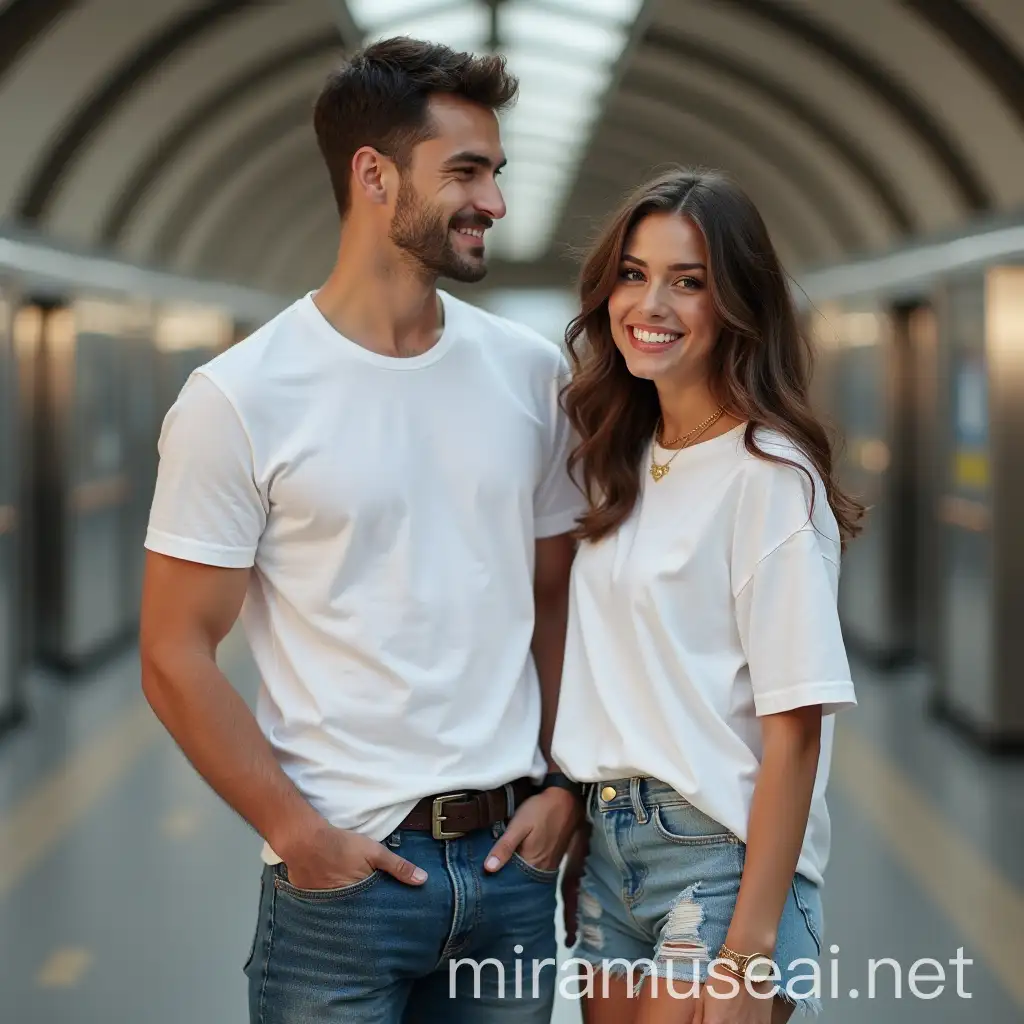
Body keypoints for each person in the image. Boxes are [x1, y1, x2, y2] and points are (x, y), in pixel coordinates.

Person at [139, 37, 585, 1023]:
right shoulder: (240, 398)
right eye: (465, 172)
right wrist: (297, 832)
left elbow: (557, 594)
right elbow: (174, 649)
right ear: (374, 176)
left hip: (512, 869)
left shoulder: (530, 378)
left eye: (496, 173)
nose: (495, 203)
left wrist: (565, 784)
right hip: (343, 883)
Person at [551, 167, 864, 1023]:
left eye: (688, 282)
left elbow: (793, 728)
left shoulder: (770, 476)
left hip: (718, 855)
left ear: (738, 305)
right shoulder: (624, 454)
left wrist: (747, 953)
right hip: (609, 845)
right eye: (634, 273)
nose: (650, 305)